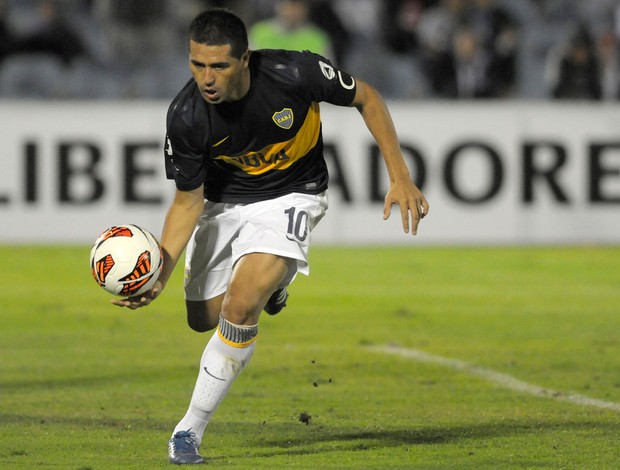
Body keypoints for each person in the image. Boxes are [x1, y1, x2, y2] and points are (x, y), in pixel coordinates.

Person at [111, 8, 428, 465]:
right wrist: (159, 270)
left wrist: (399, 175)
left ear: (245, 60)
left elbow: (368, 97)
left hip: (293, 195)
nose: (207, 78)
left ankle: (188, 432)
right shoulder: (186, 116)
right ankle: (275, 285)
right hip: (224, 203)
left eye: (218, 65)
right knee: (203, 318)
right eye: (197, 64)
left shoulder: (294, 72)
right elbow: (187, 201)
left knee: (241, 306)